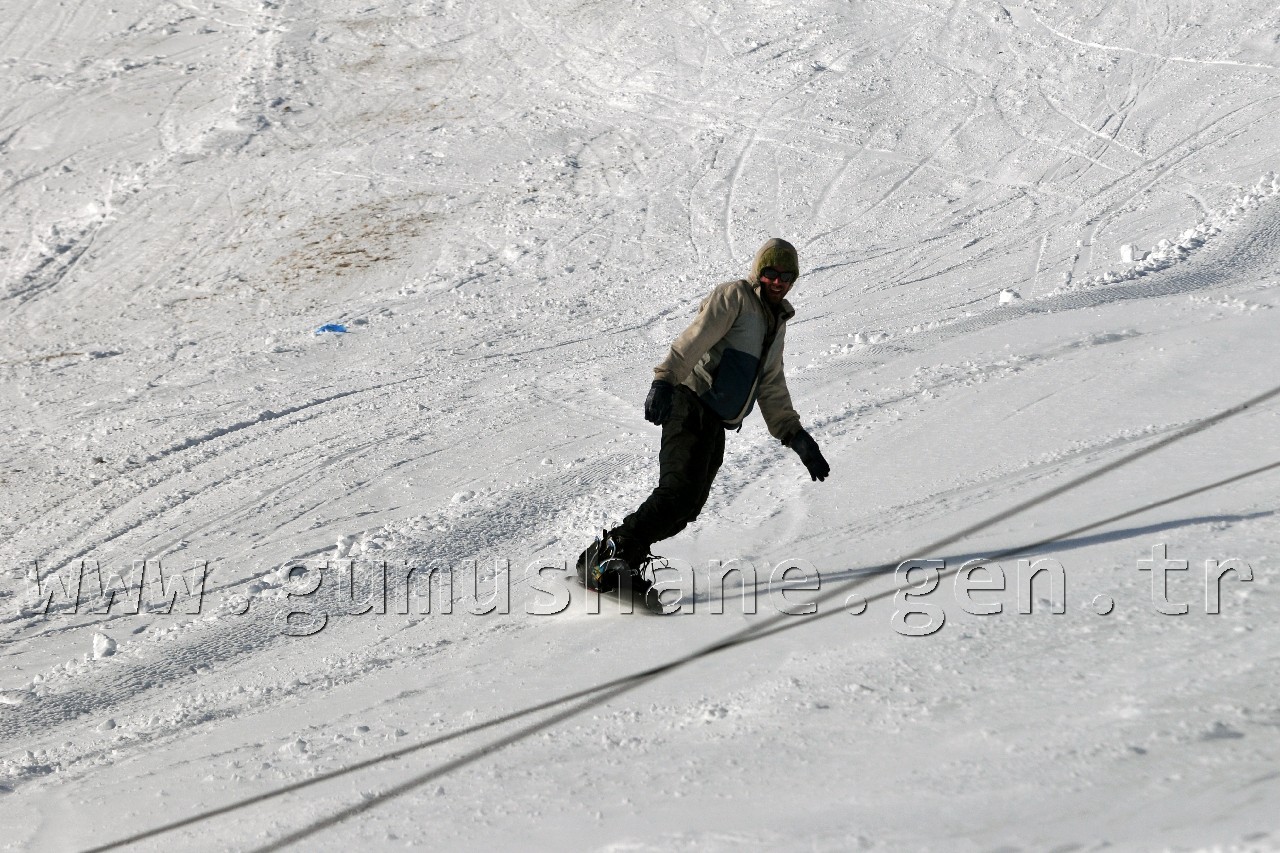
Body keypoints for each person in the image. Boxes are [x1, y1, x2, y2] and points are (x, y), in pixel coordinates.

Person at [577, 237, 831, 591]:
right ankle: (607, 557)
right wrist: (664, 380)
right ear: (759, 272)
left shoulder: (776, 322)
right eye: (771, 273)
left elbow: (771, 382)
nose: (778, 281)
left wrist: (794, 433)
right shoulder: (735, 297)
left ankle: (623, 560)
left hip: (714, 422)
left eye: (786, 276)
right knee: (676, 493)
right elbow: (694, 338)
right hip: (690, 402)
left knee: (689, 506)